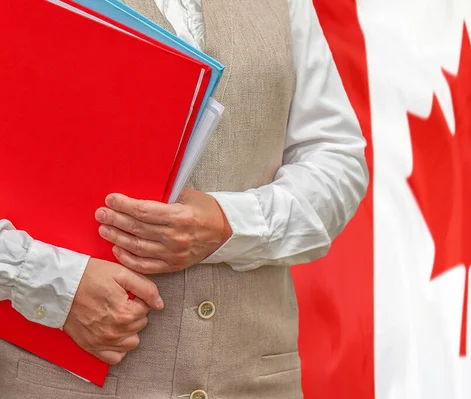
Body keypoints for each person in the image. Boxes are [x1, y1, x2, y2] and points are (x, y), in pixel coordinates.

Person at [0, 0, 368, 397]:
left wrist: (231, 224)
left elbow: (338, 160)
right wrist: (45, 282)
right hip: (59, 379)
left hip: (255, 379)